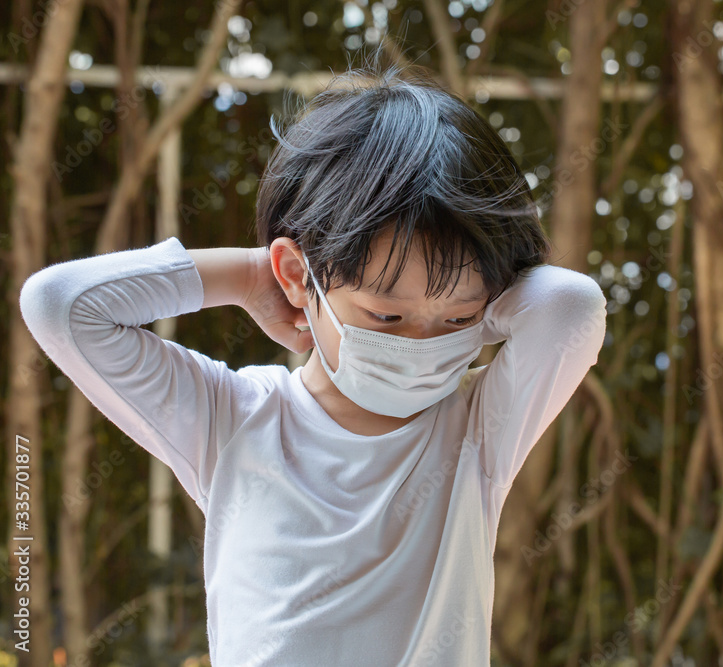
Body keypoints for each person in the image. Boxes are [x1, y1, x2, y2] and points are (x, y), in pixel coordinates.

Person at [19, 46, 607, 666]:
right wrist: (250, 275)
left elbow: (569, 307)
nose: (423, 344)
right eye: (387, 315)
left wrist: (487, 285)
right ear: (300, 275)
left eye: (460, 320)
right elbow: (62, 305)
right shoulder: (232, 420)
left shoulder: (478, 431)